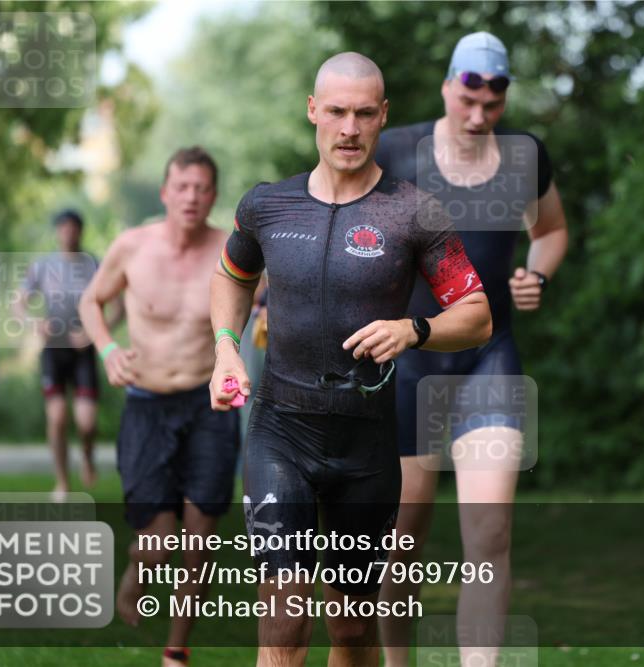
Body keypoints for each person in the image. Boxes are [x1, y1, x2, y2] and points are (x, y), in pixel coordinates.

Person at [208, 52, 492, 667]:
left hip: (366, 445)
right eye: (336, 111)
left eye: (364, 114)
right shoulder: (267, 205)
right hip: (281, 432)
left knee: (353, 630)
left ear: (383, 115)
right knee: (285, 619)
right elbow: (231, 276)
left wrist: (415, 329)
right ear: (313, 110)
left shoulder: (414, 212)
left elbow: (477, 315)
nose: (349, 129)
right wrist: (226, 346)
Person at [375, 32, 569, 666]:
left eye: (493, 104)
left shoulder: (523, 157)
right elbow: (344, 223)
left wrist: (537, 274)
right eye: (468, 101)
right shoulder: (395, 150)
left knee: (490, 532)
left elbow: (551, 229)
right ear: (447, 88)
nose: (480, 116)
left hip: (489, 358)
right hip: (409, 362)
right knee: (402, 540)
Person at [79, 147, 240, 667]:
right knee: (157, 544)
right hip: (146, 405)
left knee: (200, 537)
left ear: (213, 196)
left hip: (210, 406)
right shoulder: (133, 246)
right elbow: (90, 301)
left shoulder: (231, 250)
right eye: (183, 187)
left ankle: (176, 649)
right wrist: (108, 349)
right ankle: (137, 569)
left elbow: (268, 300)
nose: (191, 197)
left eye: (202, 188)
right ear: (166, 192)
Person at [20, 210, 107, 499]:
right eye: (64, 228)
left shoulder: (95, 265)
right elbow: (18, 303)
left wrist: (94, 333)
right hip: (53, 350)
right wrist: (34, 323)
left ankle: (88, 457)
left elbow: (118, 306)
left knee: (87, 423)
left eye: (74, 228)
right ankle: (62, 482)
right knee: (57, 418)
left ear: (81, 231)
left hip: (83, 352)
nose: (69, 233)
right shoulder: (43, 265)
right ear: (58, 231)